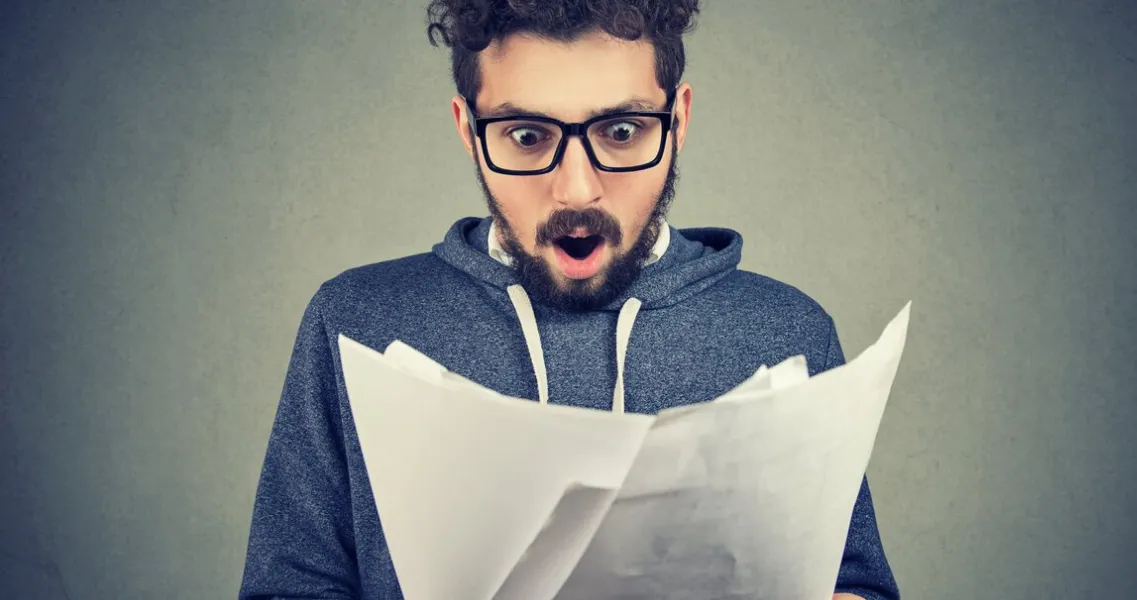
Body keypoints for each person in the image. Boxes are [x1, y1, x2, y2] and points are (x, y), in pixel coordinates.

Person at [238, 1, 901, 598]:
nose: (577, 191)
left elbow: (855, 582)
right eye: (527, 136)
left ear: (678, 121)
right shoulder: (357, 322)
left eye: (621, 132)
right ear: (471, 132)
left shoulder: (786, 330)